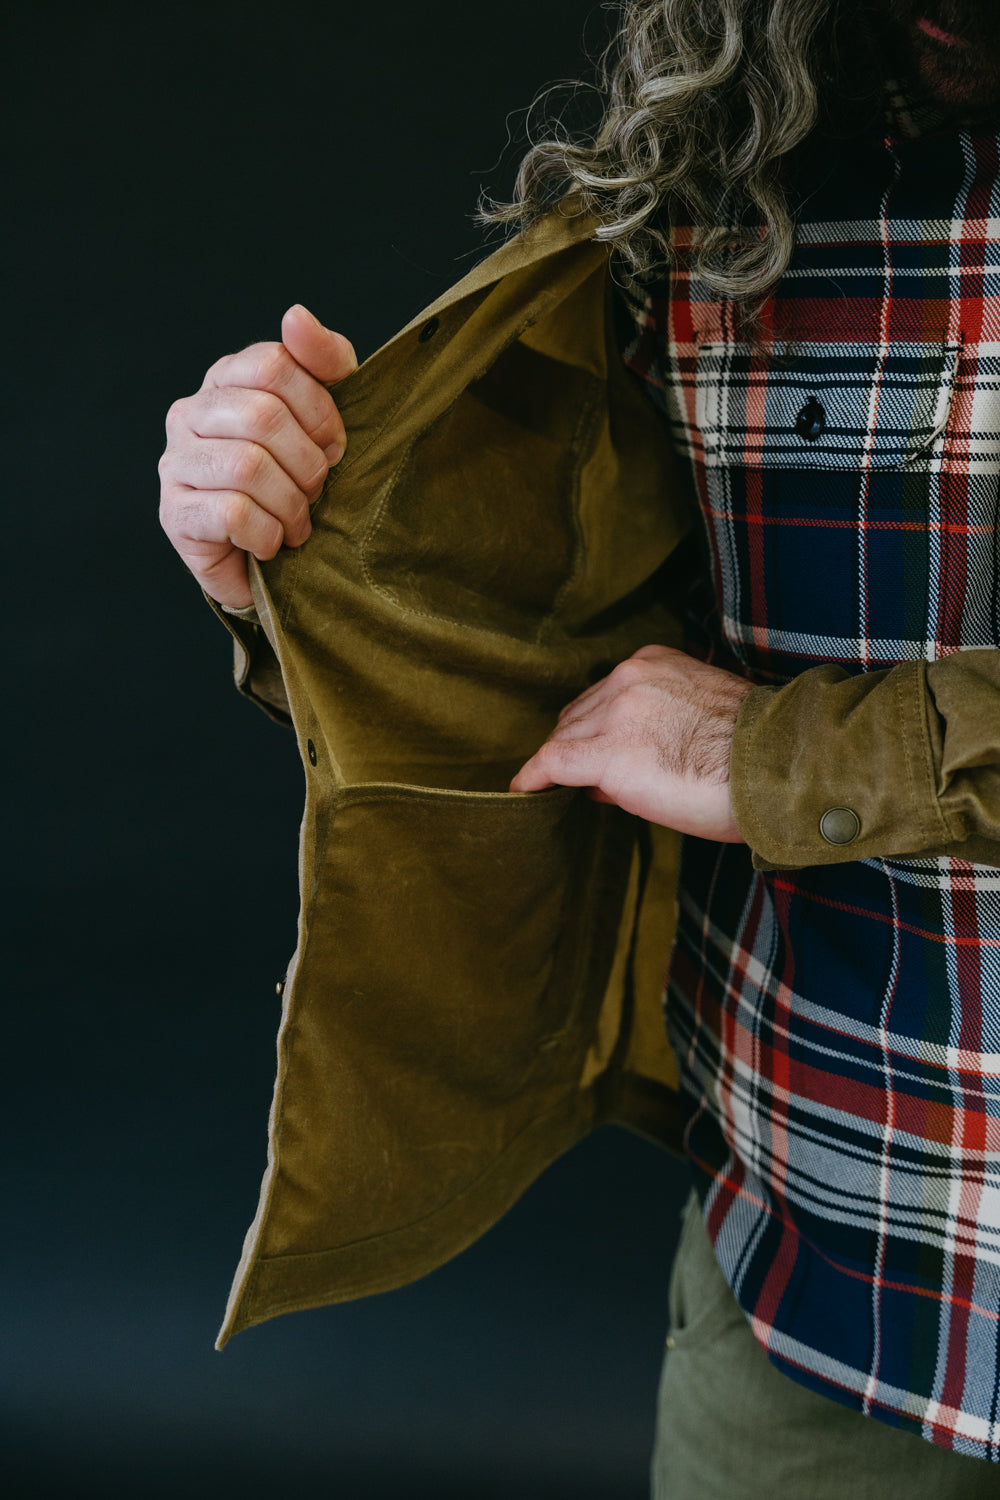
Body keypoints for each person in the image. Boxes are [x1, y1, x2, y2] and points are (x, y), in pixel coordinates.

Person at [158, 1, 1000, 1493]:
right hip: (824, 1268)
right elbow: (541, 656)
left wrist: (779, 751)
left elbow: (727, 742)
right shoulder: (722, 172)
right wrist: (307, 558)